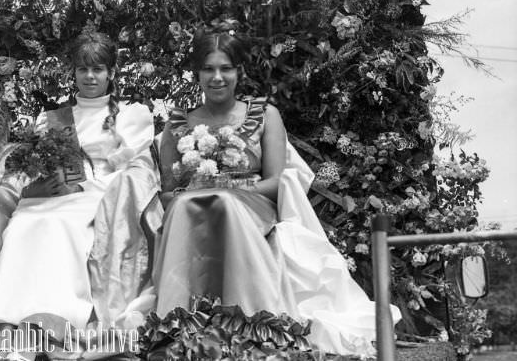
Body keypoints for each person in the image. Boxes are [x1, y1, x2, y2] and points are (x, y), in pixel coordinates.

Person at [154, 30, 401, 356]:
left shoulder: (264, 115)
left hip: (251, 205)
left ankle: (248, 321)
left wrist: (231, 187)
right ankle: (179, 321)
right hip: (190, 208)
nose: (217, 77)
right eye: (208, 69)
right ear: (196, 73)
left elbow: (275, 182)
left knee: (225, 203)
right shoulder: (177, 124)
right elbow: (169, 192)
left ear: (239, 71)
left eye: (226, 68)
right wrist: (196, 189)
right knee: (185, 206)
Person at [0, 31, 161, 354]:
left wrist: (87, 187)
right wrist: (41, 184)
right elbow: (32, 169)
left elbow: (133, 171)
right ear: (73, 72)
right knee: (24, 224)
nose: (90, 76)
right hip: (55, 196)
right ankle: (8, 321)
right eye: (83, 69)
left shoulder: (128, 115)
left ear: (111, 72)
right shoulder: (51, 118)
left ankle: (56, 318)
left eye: (98, 69)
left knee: (57, 226)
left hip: (101, 197)